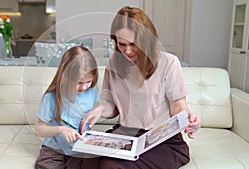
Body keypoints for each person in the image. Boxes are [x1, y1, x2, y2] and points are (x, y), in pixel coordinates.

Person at [80, 6, 201, 169]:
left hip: (160, 140)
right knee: (88, 158)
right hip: (125, 134)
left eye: (133, 44)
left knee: (111, 166)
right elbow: (113, 107)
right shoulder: (114, 64)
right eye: (122, 44)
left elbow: (178, 107)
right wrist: (100, 110)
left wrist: (190, 120)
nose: (127, 51)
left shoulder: (168, 62)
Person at [34, 46, 99, 169]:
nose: (84, 87)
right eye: (79, 82)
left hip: (79, 149)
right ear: (65, 75)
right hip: (54, 149)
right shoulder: (52, 97)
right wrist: (60, 130)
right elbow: (39, 128)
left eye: (89, 81)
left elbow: (95, 111)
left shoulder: (92, 92)